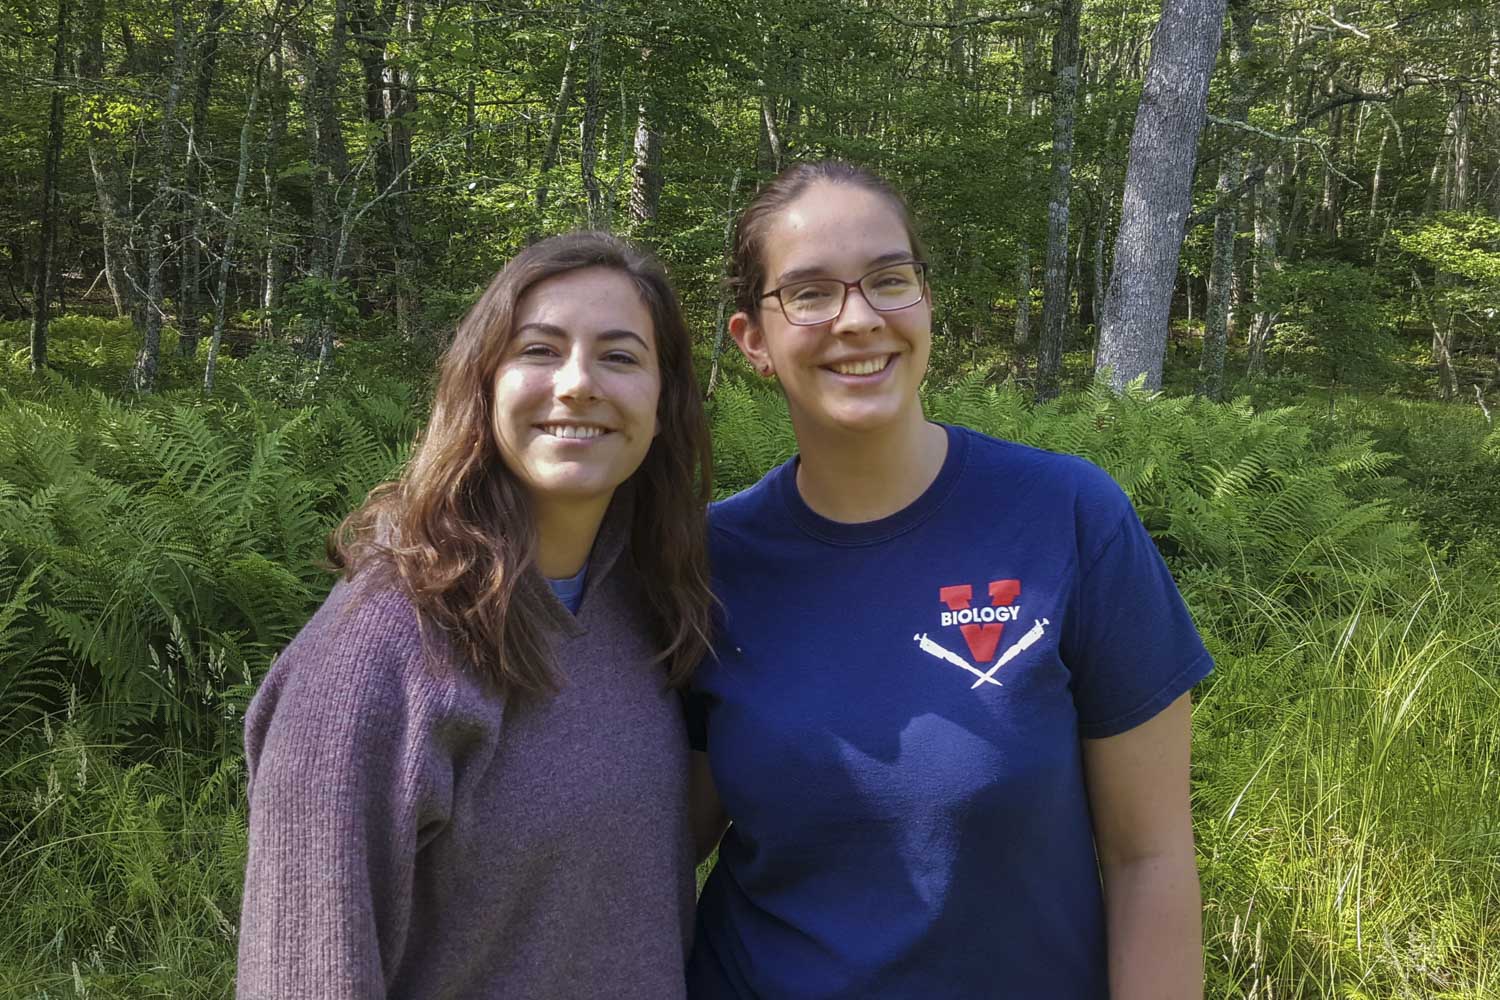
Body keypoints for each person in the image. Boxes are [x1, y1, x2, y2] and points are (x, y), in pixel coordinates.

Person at [686, 162, 1213, 1000]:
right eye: (812, 293)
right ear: (754, 339)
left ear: (926, 303)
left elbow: (1149, 857)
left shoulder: (1067, 517)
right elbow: (649, 846)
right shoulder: (708, 560)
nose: (859, 319)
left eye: (890, 280)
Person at [237, 231, 714, 999]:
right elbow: (304, 971)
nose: (578, 384)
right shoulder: (383, 646)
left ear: (663, 405)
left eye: (621, 357)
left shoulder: (651, 611)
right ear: (483, 383)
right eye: (539, 350)